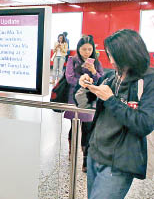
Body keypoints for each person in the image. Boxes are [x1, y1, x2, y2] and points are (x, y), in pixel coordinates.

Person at [78, 29, 154, 199]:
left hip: (119, 163)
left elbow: (144, 123)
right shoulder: (112, 76)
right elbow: (96, 99)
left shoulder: (148, 80)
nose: (110, 60)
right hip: (95, 153)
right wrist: (87, 85)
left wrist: (111, 99)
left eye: (113, 56)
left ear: (127, 54)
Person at [65, 35, 104, 172]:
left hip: (89, 99)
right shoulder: (72, 60)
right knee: (73, 126)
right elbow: (69, 78)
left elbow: (101, 80)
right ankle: (71, 150)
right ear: (78, 48)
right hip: (75, 98)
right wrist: (83, 81)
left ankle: (86, 160)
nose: (86, 52)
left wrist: (93, 71)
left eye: (89, 49)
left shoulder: (96, 63)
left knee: (87, 129)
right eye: (83, 49)